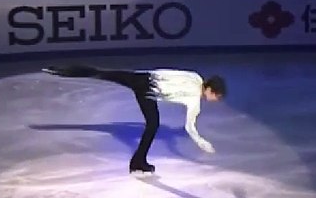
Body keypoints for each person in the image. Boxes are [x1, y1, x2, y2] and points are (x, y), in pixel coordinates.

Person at [42, 63, 226, 174]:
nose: (215, 100)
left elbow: (168, 72)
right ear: (210, 90)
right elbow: (189, 127)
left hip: (142, 78)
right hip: (147, 88)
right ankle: (138, 163)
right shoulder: (194, 101)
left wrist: (147, 76)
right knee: (152, 125)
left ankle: (57, 70)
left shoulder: (195, 76)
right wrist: (202, 143)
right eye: (216, 96)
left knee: (101, 73)